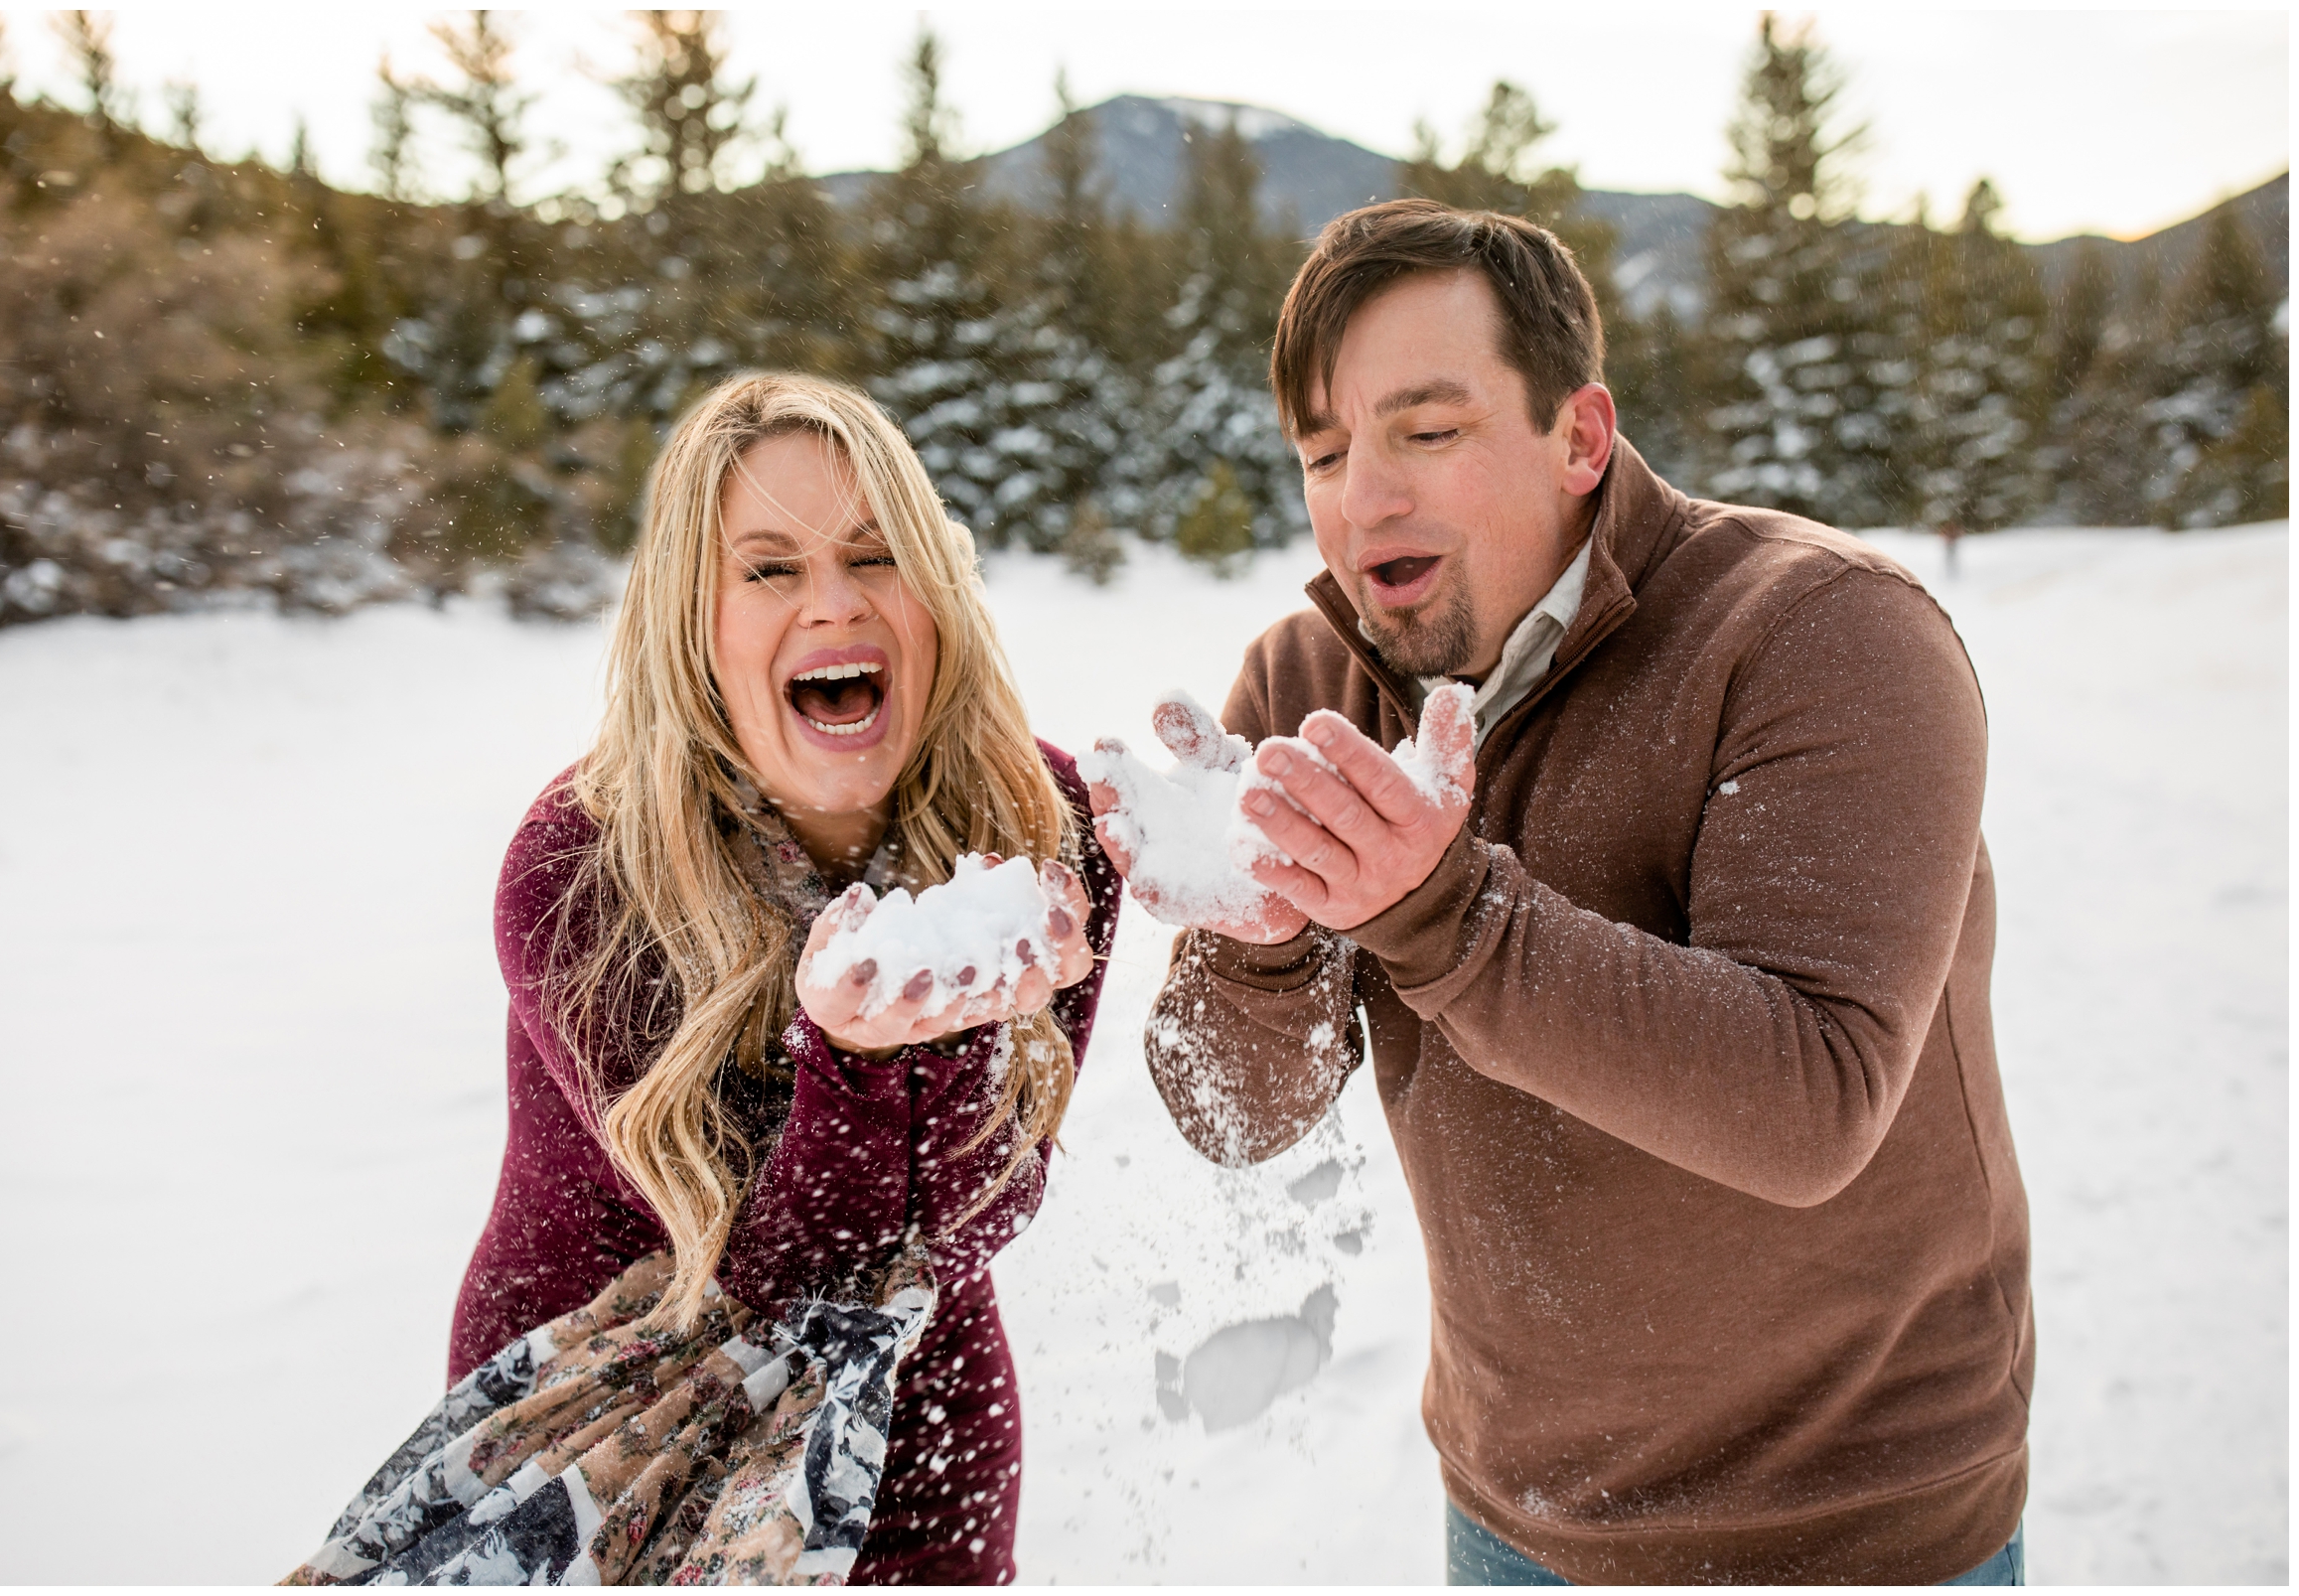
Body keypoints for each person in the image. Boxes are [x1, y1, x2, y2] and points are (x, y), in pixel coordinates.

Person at [1090, 200, 2032, 1585]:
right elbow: (1238, 1114)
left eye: (1427, 430)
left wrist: (1444, 914)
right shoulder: (1308, 687)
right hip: (1513, 1521)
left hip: (1850, 1530)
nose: (1364, 499)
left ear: (1579, 436)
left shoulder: (1823, 632)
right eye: (1325, 451)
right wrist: (1260, 949)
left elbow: (1814, 1100)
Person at [449, 371, 1120, 1585]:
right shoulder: (587, 869)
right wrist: (861, 1062)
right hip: (611, 1439)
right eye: (768, 568)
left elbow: (977, 1220)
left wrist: (968, 1029)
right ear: (692, 624)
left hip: (919, 1449)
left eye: (876, 554)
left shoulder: (1037, 816)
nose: (834, 602)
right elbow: (764, 1282)